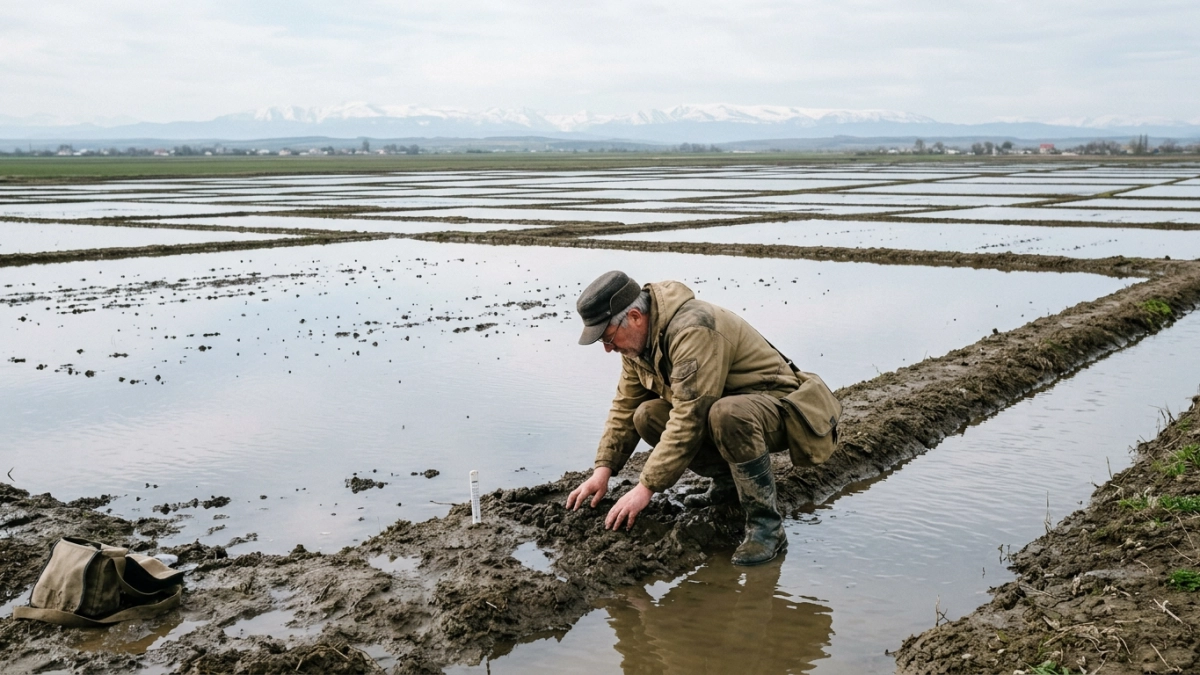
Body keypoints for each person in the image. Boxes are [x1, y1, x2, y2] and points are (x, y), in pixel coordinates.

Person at [566, 270, 824, 566]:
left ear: (635, 317)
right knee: (646, 415)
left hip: (778, 409)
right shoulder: (637, 347)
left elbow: (690, 416)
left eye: (609, 337)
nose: (608, 349)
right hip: (725, 412)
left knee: (726, 414)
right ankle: (728, 485)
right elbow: (624, 407)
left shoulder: (693, 329)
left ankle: (767, 527)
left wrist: (646, 487)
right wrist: (603, 470)